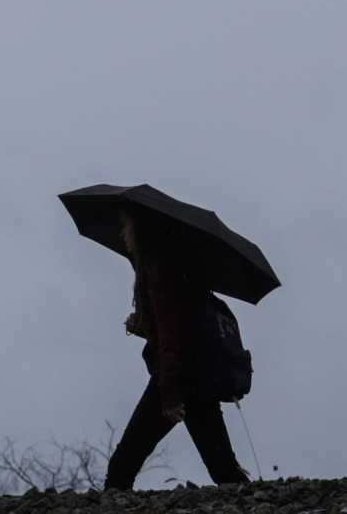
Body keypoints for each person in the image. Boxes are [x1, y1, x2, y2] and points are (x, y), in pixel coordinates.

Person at [104, 204, 251, 489]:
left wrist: (169, 393)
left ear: (139, 230)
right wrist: (143, 326)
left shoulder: (156, 266)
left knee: (123, 465)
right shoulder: (177, 265)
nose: (123, 234)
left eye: (126, 226)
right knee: (223, 469)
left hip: (179, 378)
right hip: (200, 376)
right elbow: (180, 325)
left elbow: (172, 335)